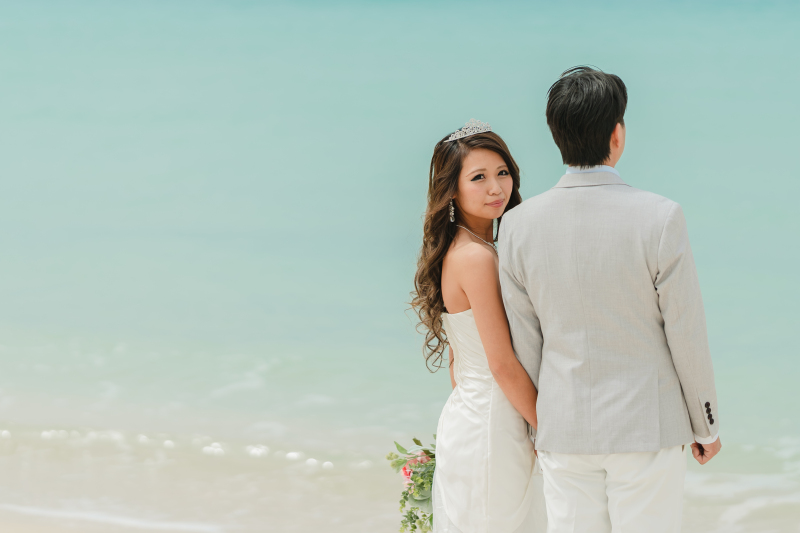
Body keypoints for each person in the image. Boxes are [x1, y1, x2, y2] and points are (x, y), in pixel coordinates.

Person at [498, 67, 722, 533]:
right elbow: (686, 330)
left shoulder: (518, 226)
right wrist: (707, 426)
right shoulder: (659, 217)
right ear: (617, 134)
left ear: (556, 137)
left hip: (563, 430)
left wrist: (541, 428)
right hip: (648, 428)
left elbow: (526, 344)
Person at [411, 119, 547, 532]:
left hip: (476, 418)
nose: (496, 188)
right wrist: (550, 431)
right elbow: (502, 364)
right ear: (451, 189)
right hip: (494, 425)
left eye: (502, 173)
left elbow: (457, 360)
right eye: (479, 178)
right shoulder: (477, 257)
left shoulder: (469, 246)